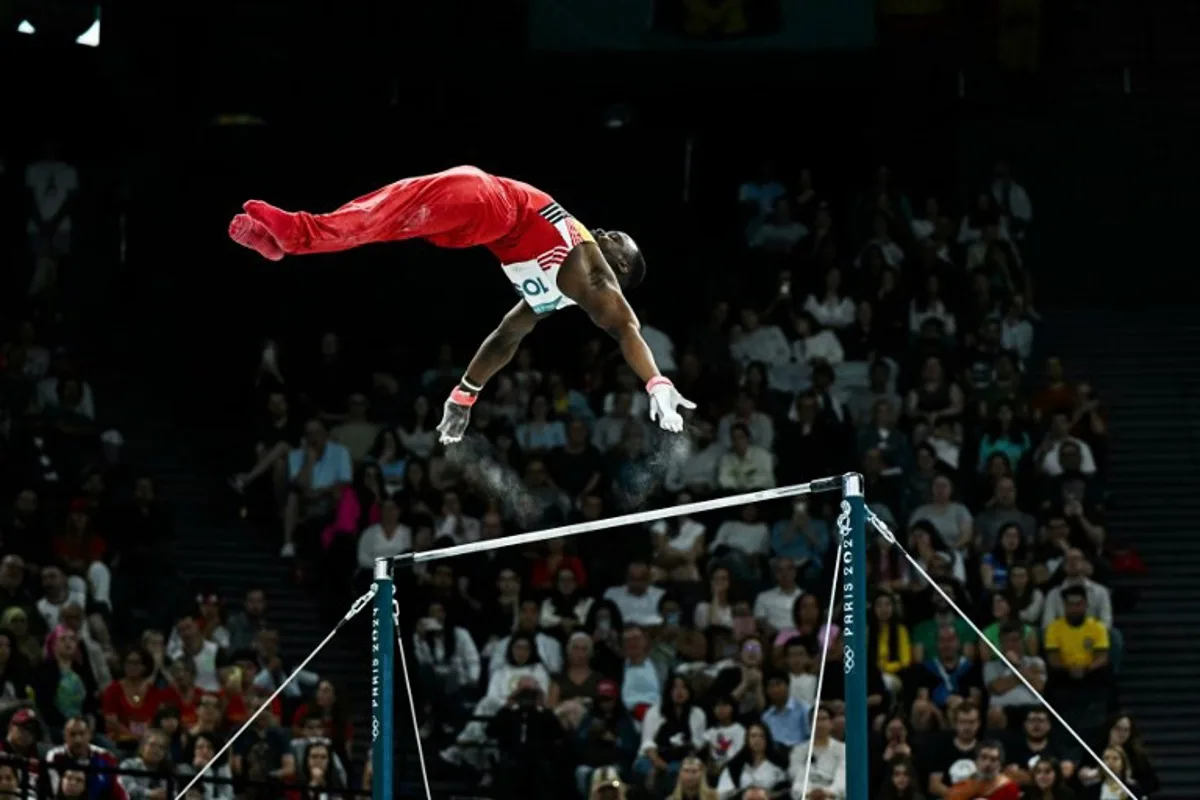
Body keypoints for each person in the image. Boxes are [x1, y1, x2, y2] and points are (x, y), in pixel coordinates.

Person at [229, 166, 694, 442]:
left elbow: (619, 326)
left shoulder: (591, 275)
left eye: (618, 241)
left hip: (482, 206)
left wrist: (656, 383)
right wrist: (465, 395)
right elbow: (506, 337)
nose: (607, 233)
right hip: (481, 213)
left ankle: (293, 237)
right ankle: (292, 236)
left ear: (621, 270)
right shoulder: (566, 284)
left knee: (384, 215)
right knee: (383, 216)